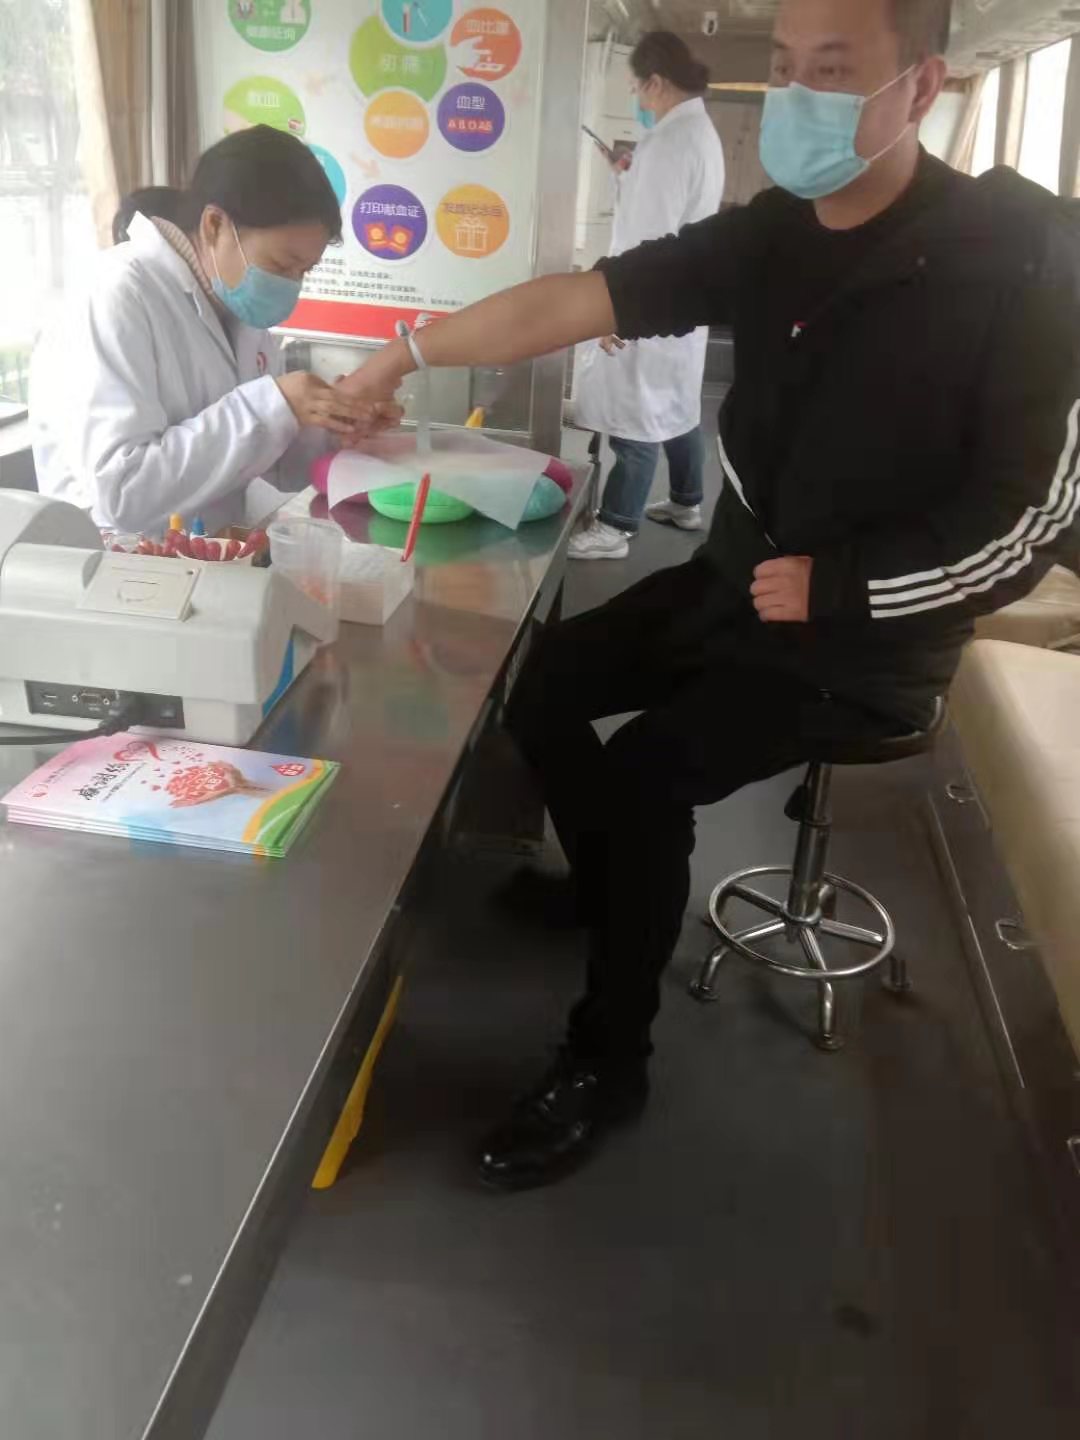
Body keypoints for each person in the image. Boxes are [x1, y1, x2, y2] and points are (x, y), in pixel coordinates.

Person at [338, 0, 1080, 1189]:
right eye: (783, 66)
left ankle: (608, 1060)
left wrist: (845, 587)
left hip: (869, 642)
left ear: (922, 85)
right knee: (539, 682)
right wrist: (402, 354)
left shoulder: (1024, 259)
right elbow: (577, 299)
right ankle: (610, 893)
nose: (796, 95)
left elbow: (1032, 519)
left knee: (648, 779)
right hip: (738, 585)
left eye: (833, 68)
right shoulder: (776, 234)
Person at [31, 126, 400, 535]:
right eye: (281, 265)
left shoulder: (237, 307)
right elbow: (121, 493)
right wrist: (274, 405)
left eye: (304, 271)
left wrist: (332, 425)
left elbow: (274, 463)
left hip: (206, 551)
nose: (291, 285)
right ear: (214, 225)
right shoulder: (117, 293)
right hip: (116, 560)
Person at [570, 31, 725, 561]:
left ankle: (616, 526)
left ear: (656, 82)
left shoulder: (668, 142)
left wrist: (616, 312)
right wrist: (625, 177)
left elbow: (648, 238)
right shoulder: (698, 132)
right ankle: (686, 501)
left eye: (637, 87)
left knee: (635, 416)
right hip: (682, 299)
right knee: (675, 405)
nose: (637, 97)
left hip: (653, 299)